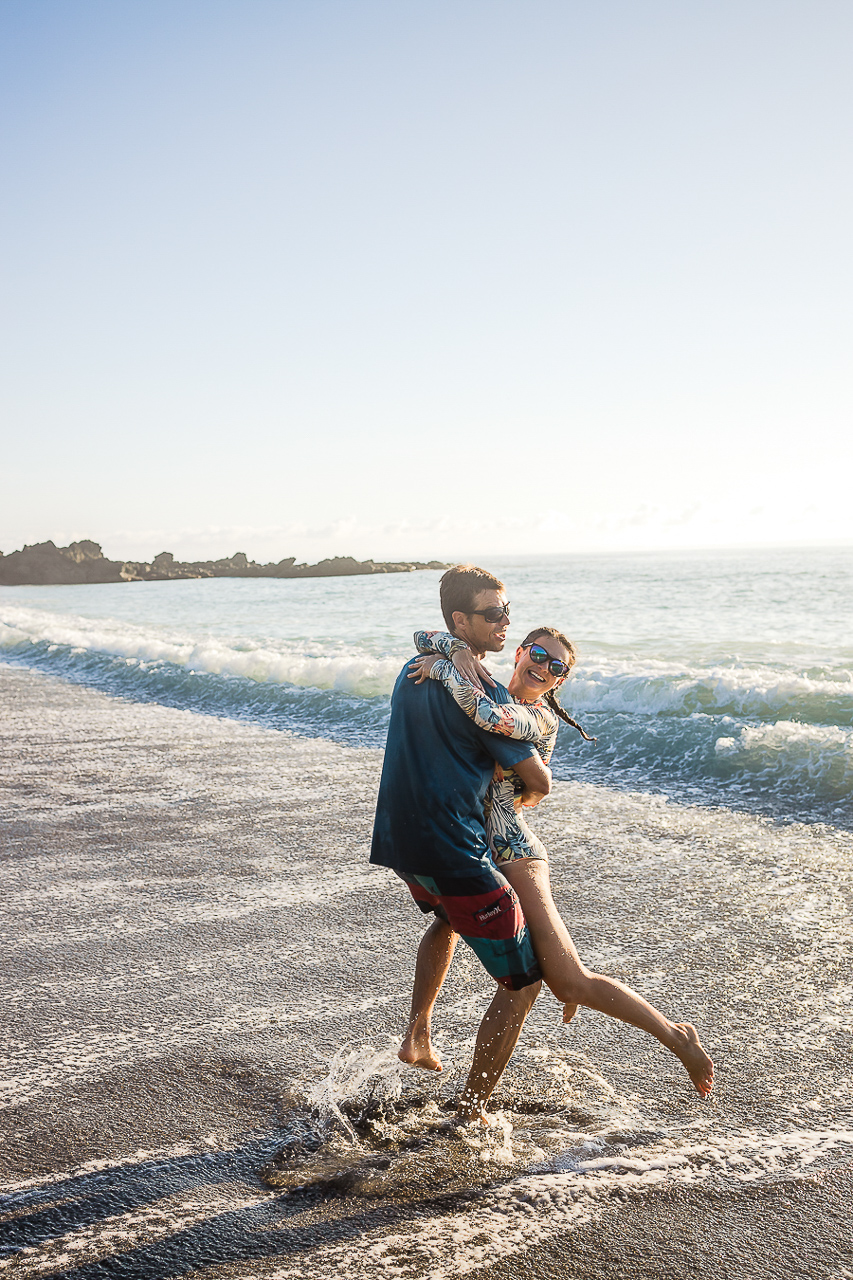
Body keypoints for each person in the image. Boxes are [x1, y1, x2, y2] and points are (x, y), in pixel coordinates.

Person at [407, 624, 715, 1099]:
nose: (543, 668)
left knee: (567, 981)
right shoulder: (481, 679)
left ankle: (677, 1039)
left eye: (557, 667)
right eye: (538, 654)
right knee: (445, 922)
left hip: (516, 855)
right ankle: (422, 1038)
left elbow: (490, 717)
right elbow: (421, 635)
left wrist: (445, 668)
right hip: (469, 849)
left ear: (559, 682)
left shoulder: (536, 718)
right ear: (519, 652)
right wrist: (449, 650)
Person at [370, 566, 552, 1123]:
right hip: (452, 848)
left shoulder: (414, 670)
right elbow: (537, 778)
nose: (505, 621)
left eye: (506, 611)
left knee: (447, 920)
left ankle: (418, 1033)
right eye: (493, 614)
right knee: (525, 981)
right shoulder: (483, 696)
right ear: (460, 620)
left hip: (401, 845)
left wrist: (447, 650)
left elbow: (432, 646)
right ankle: (471, 1111)